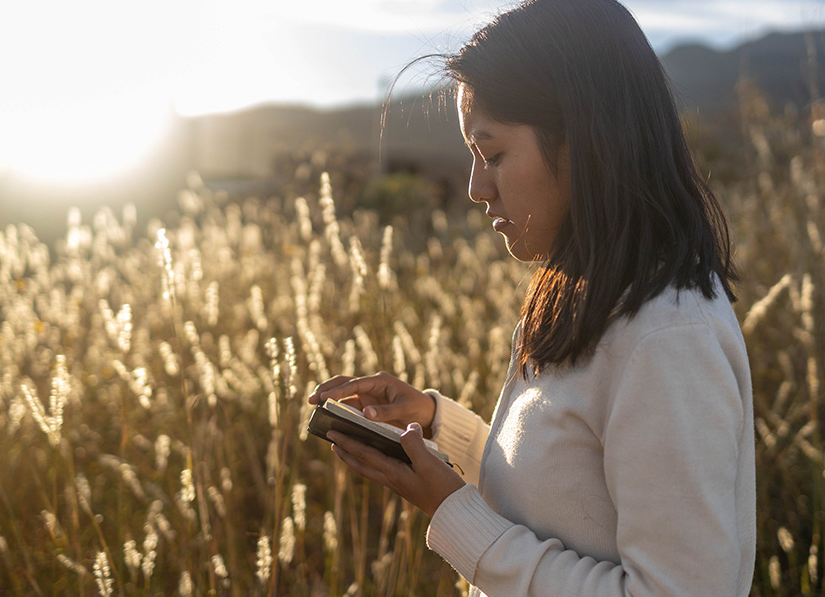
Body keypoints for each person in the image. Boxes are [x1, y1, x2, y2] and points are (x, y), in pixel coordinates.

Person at [308, 0, 755, 594]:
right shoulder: (589, 292)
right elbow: (566, 495)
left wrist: (456, 514)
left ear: (585, 140)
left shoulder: (668, 339)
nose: (474, 187)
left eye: (492, 154)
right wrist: (439, 426)